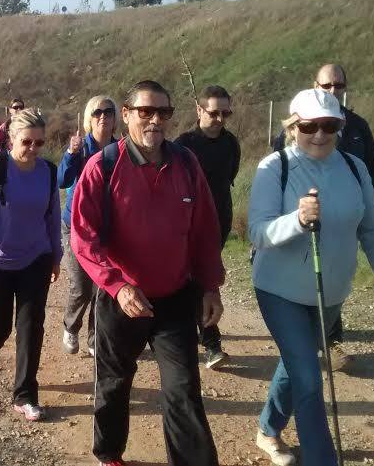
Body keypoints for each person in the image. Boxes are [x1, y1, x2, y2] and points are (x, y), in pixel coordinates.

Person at [248, 88, 374, 466]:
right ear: (292, 128)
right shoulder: (275, 168)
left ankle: (268, 430)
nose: (319, 134)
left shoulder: (354, 167)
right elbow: (258, 232)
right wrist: (298, 220)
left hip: (329, 294)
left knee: (295, 364)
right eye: (309, 126)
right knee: (308, 378)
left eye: (329, 126)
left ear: (340, 127)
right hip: (278, 290)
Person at [71, 80, 225, 466]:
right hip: (120, 298)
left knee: (183, 388)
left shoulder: (187, 165)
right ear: (126, 115)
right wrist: (118, 285)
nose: (156, 120)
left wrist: (210, 287)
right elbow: (83, 238)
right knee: (114, 382)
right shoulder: (102, 167)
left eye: (164, 112)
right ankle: (109, 453)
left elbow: (205, 231)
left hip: (174, 297)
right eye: (146, 112)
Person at [272, 64, 374, 370]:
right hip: (301, 223)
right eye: (326, 85)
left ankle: (328, 341)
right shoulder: (292, 130)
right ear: (314, 84)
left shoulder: (357, 125)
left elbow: (373, 167)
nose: (332, 91)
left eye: (338, 85)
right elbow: (276, 172)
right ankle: (315, 345)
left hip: (346, 215)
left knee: (334, 271)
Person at [0, 109, 62, 423]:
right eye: (27, 142)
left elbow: (52, 217)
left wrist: (57, 256)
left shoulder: (48, 171)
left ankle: (25, 395)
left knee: (31, 328)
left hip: (36, 258)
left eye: (39, 142)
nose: (33, 148)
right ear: (11, 140)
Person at [174, 85, 241, 370]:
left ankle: (206, 342)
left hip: (218, 226)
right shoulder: (182, 145)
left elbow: (229, 179)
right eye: (214, 112)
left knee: (203, 280)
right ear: (199, 110)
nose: (220, 119)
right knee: (193, 281)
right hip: (185, 226)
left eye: (225, 113)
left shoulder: (231, 144)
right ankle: (209, 344)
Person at [57, 95, 118, 358]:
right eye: (97, 112)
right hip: (75, 226)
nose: (103, 116)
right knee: (81, 287)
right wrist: (71, 154)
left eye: (108, 111)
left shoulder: (123, 150)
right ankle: (71, 326)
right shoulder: (80, 148)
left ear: (116, 118)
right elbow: (62, 180)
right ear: (88, 119)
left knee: (103, 288)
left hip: (107, 228)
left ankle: (96, 337)